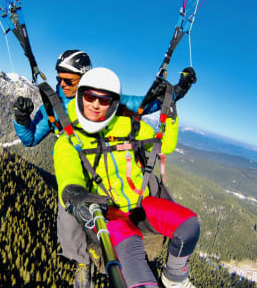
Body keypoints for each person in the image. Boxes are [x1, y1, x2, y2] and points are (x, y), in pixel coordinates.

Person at [53, 67, 200, 288]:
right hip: (109, 212)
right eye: (90, 96)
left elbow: (165, 145)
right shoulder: (69, 141)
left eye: (103, 100)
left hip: (141, 204)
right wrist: (74, 194)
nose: (95, 104)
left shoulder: (128, 127)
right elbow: (69, 175)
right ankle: (85, 263)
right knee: (133, 255)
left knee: (189, 225)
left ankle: (175, 277)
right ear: (81, 96)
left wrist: (170, 112)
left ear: (112, 104)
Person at [13, 49, 196, 147]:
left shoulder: (105, 100)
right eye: (59, 79)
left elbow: (147, 104)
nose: (61, 84)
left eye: (68, 80)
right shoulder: (53, 106)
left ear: (84, 79)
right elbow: (30, 140)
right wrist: (22, 119)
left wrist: (180, 88)